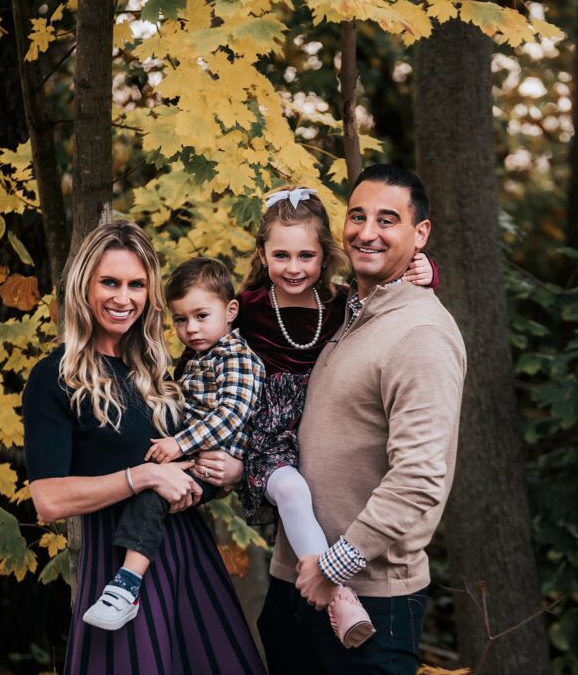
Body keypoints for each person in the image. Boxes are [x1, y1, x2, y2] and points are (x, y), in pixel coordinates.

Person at [178, 187, 436, 648]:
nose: (293, 267)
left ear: (324, 255)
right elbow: (201, 356)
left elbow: (389, 303)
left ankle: (330, 582)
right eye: (280, 255)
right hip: (268, 437)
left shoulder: (339, 305)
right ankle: (337, 595)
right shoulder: (247, 307)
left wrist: (426, 270)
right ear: (262, 254)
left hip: (319, 436)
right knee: (293, 492)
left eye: (305, 255)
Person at [22, 222, 265, 675]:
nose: (123, 298)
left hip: (191, 559)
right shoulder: (54, 377)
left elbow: (207, 445)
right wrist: (143, 476)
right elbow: (49, 500)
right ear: (83, 287)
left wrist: (232, 472)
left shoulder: (160, 373)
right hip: (118, 569)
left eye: (136, 285)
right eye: (109, 283)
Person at [256, 166, 466, 674]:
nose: (366, 231)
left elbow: (419, 479)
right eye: (357, 216)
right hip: (295, 584)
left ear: (420, 235)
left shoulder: (421, 334)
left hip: (370, 597)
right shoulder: (344, 311)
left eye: (387, 220)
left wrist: (334, 567)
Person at [81, 257, 266, 632]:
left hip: (215, 459)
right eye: (180, 320)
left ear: (231, 311)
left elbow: (231, 413)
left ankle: (127, 586)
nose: (190, 329)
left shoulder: (237, 358)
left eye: (201, 316)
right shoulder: (199, 358)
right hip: (195, 454)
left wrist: (180, 444)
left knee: (151, 496)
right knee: (149, 491)